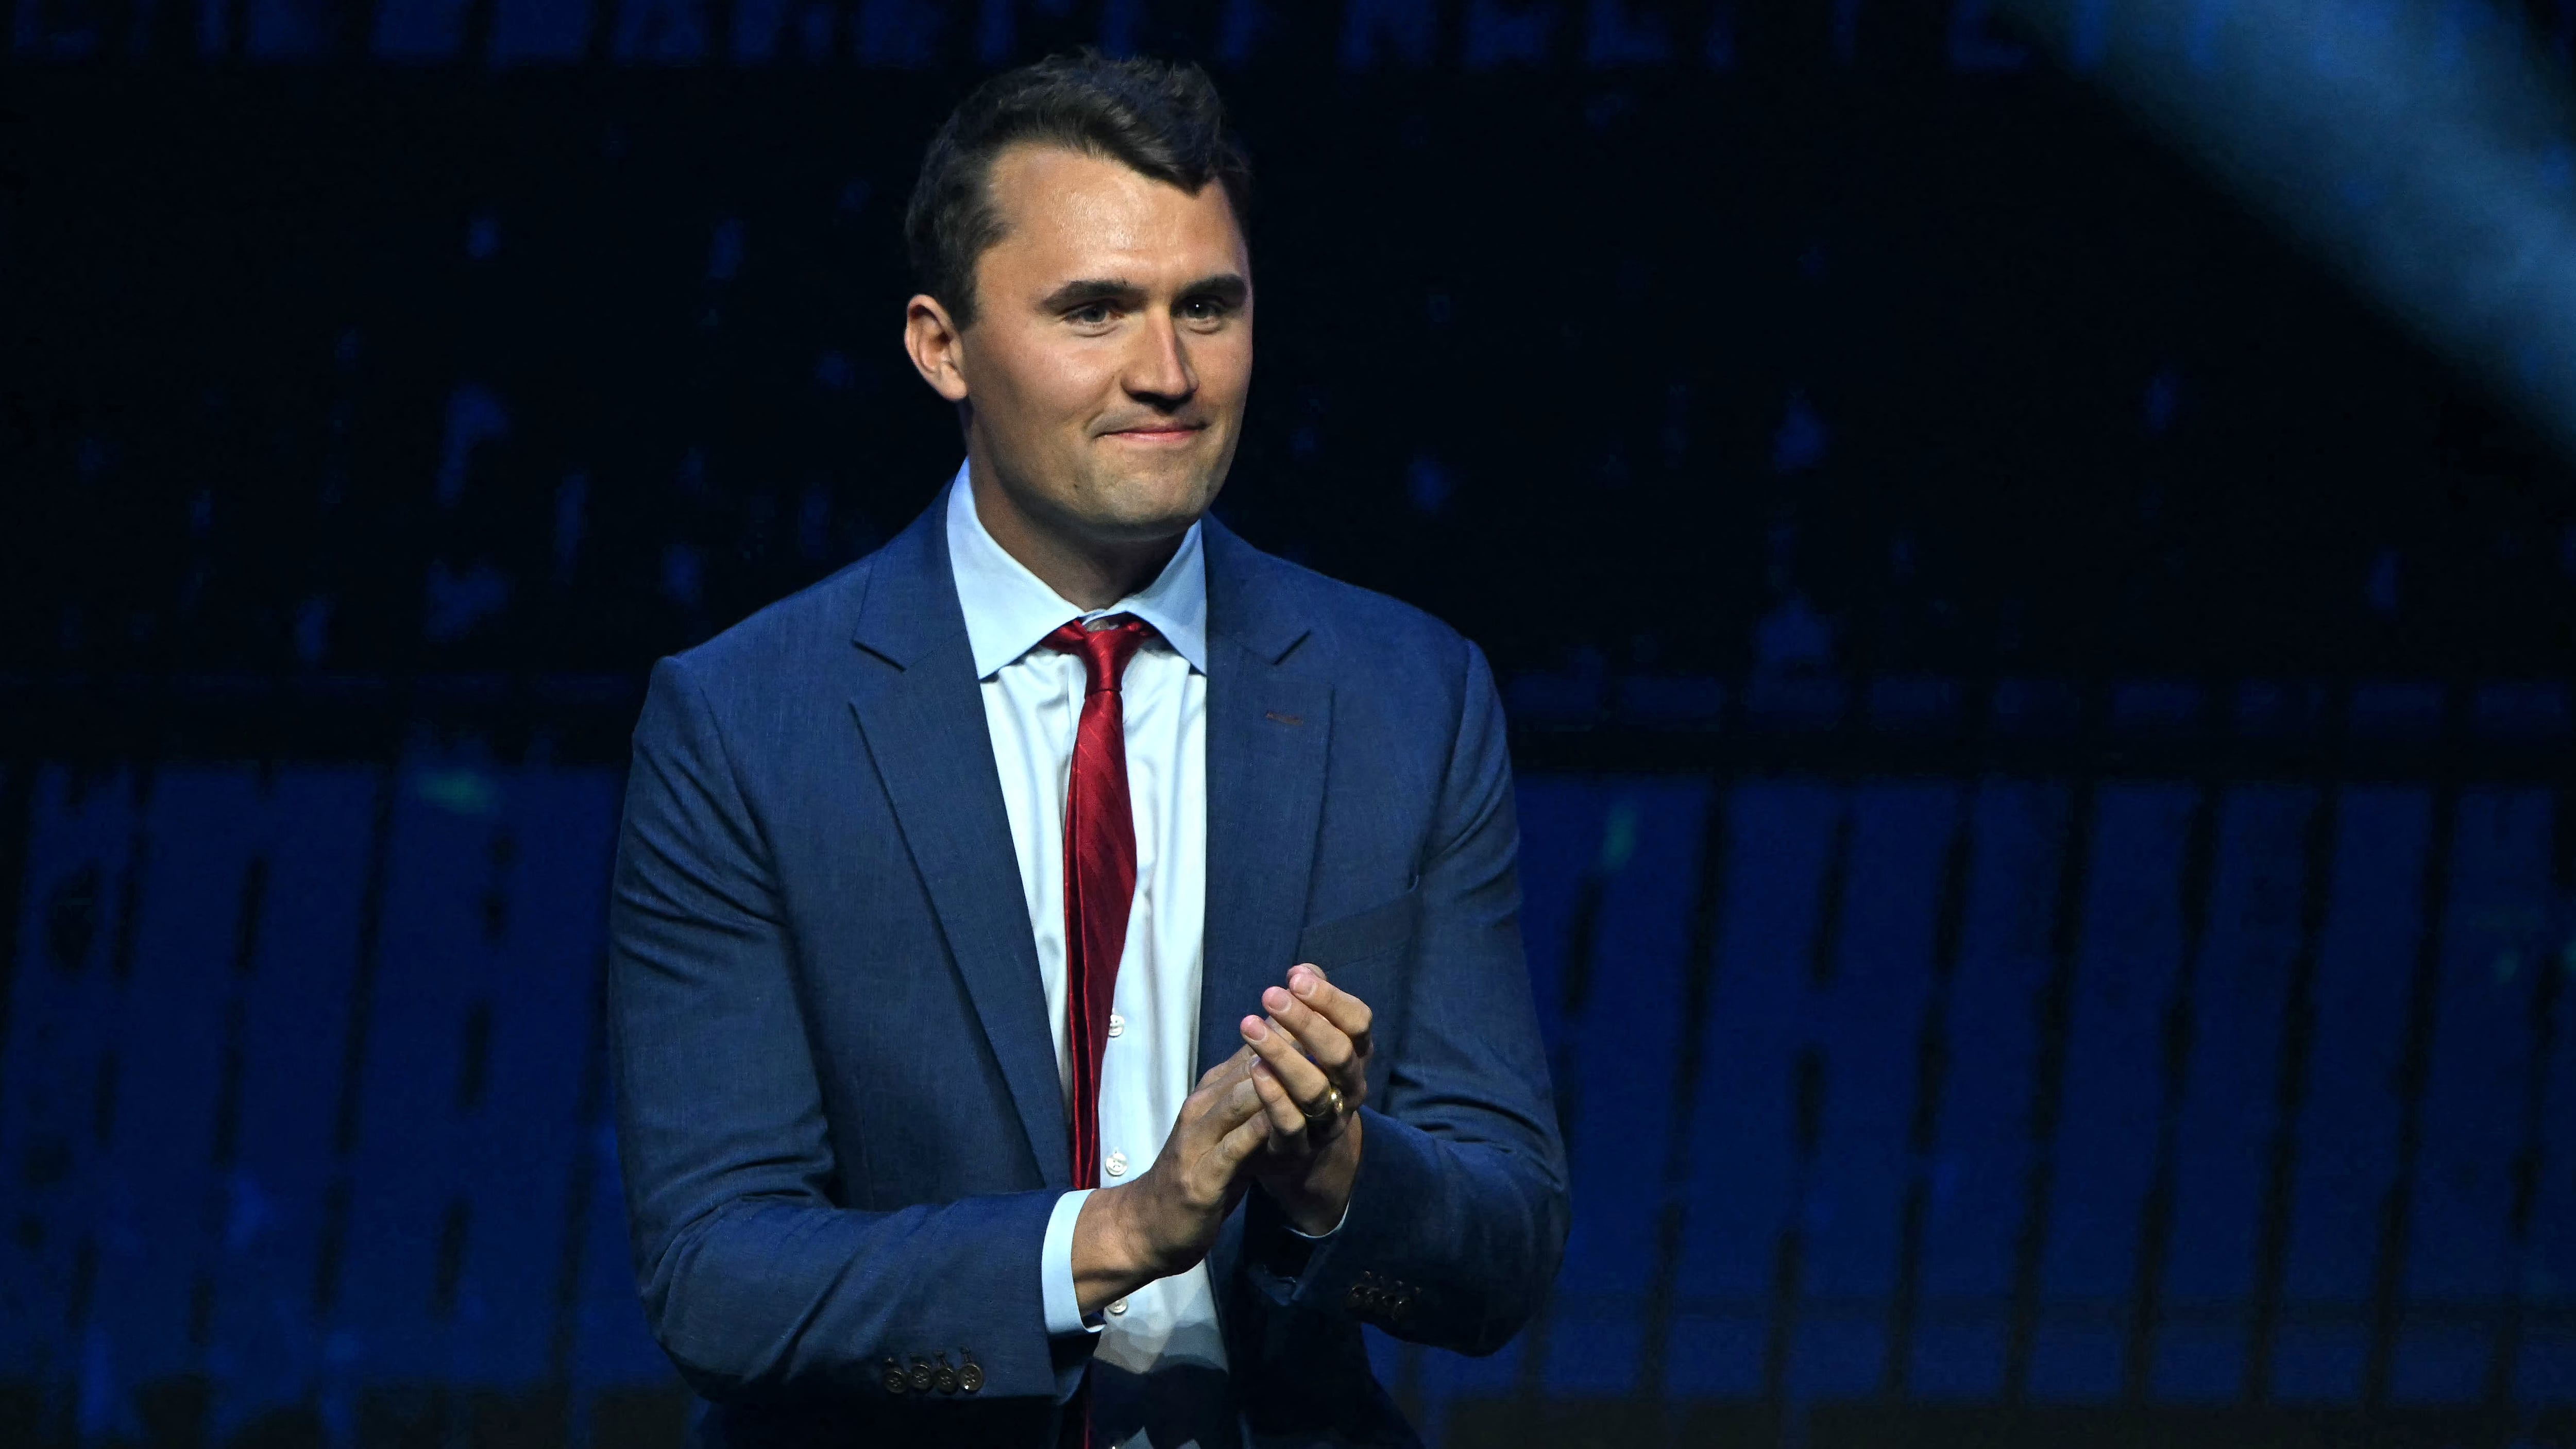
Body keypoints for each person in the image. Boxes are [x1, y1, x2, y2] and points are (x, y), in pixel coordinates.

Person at [605, 50, 1567, 1449]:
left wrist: (1336, 1175)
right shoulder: (748, 721)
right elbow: (716, 1277)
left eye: (1209, 308)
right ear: (943, 345)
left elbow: (1505, 1240)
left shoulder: (1407, 695)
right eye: (1095, 310)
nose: (1166, 372)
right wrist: (1110, 1236)